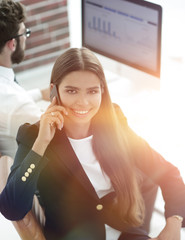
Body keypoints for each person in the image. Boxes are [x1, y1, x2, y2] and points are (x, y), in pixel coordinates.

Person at [0, 47, 185, 240]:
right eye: (72, 91)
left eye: (92, 91)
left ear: (102, 91)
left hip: (125, 232)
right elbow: (12, 209)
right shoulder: (34, 135)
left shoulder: (112, 122)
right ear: (54, 90)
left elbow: (169, 173)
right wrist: (41, 144)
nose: (83, 102)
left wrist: (174, 221)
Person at [0, 0, 49, 158]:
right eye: (24, 33)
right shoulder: (17, 105)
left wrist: (41, 93)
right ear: (12, 44)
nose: (26, 38)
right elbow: (56, 134)